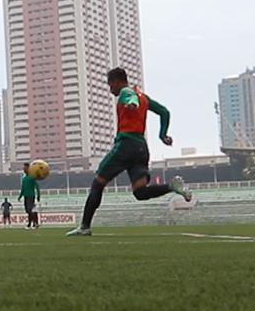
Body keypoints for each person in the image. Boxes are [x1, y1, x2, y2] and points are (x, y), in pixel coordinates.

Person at [68, 67, 193, 236]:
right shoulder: (144, 97)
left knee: (98, 183)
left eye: (110, 85)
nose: (110, 89)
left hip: (126, 145)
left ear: (117, 81)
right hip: (141, 148)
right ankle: (172, 187)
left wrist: (132, 103)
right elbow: (164, 112)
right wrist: (162, 135)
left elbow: (130, 96)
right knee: (140, 192)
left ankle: (85, 226)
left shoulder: (126, 92)